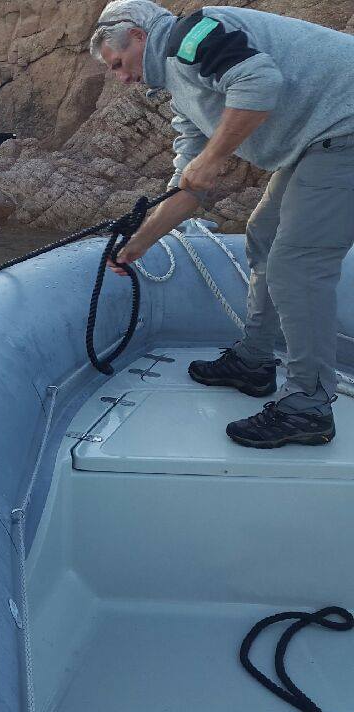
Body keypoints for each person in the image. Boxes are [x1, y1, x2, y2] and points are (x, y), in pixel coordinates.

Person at [91, 0, 354, 448]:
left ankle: (308, 406)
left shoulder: (193, 36)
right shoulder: (181, 92)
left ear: (138, 36)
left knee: (296, 265)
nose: (121, 77)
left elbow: (259, 80)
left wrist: (213, 158)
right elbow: (188, 186)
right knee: (264, 237)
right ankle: (254, 362)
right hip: (317, 143)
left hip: (344, 131)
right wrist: (139, 244)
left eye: (118, 64)